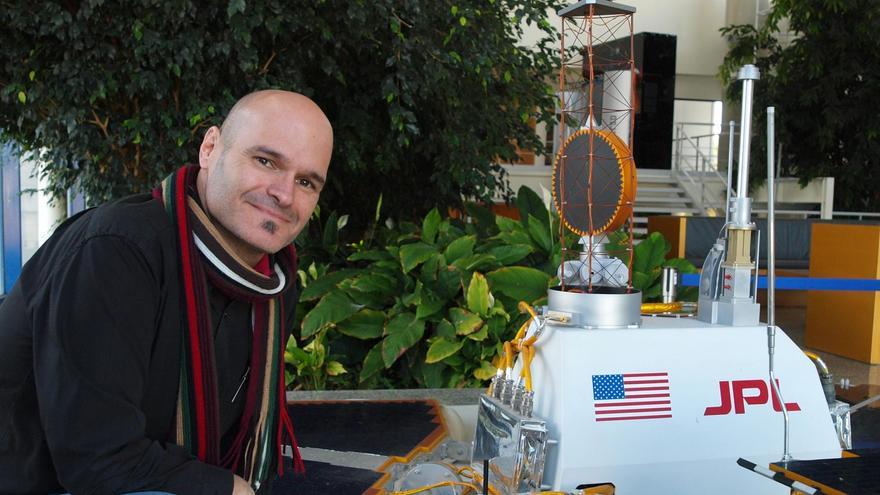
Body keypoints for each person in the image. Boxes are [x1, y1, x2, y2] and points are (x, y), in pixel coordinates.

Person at [0, 90, 333, 494]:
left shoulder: (275, 284)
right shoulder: (118, 251)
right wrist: (227, 488)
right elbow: (97, 459)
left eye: (305, 181)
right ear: (210, 148)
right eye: (265, 161)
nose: (284, 194)